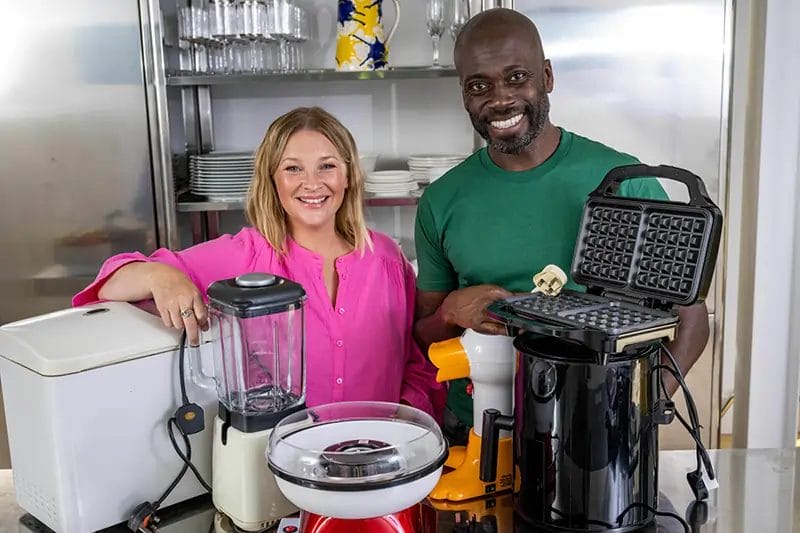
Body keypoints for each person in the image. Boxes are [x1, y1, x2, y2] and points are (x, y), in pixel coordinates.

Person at [413, 8, 710, 442]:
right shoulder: (441, 200)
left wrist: (640, 411)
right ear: (464, 94)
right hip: (478, 429)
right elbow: (424, 336)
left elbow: (692, 322)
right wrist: (450, 311)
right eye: (480, 85)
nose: (499, 99)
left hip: (595, 429)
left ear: (547, 77)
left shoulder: (626, 182)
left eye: (517, 77)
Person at [73, 106, 443, 419]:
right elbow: (109, 283)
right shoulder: (243, 255)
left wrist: (404, 417)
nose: (312, 183)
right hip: (279, 471)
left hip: (377, 459)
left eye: (327, 166)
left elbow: (416, 363)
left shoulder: (387, 259)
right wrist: (160, 275)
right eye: (293, 169)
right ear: (273, 180)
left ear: (348, 175)